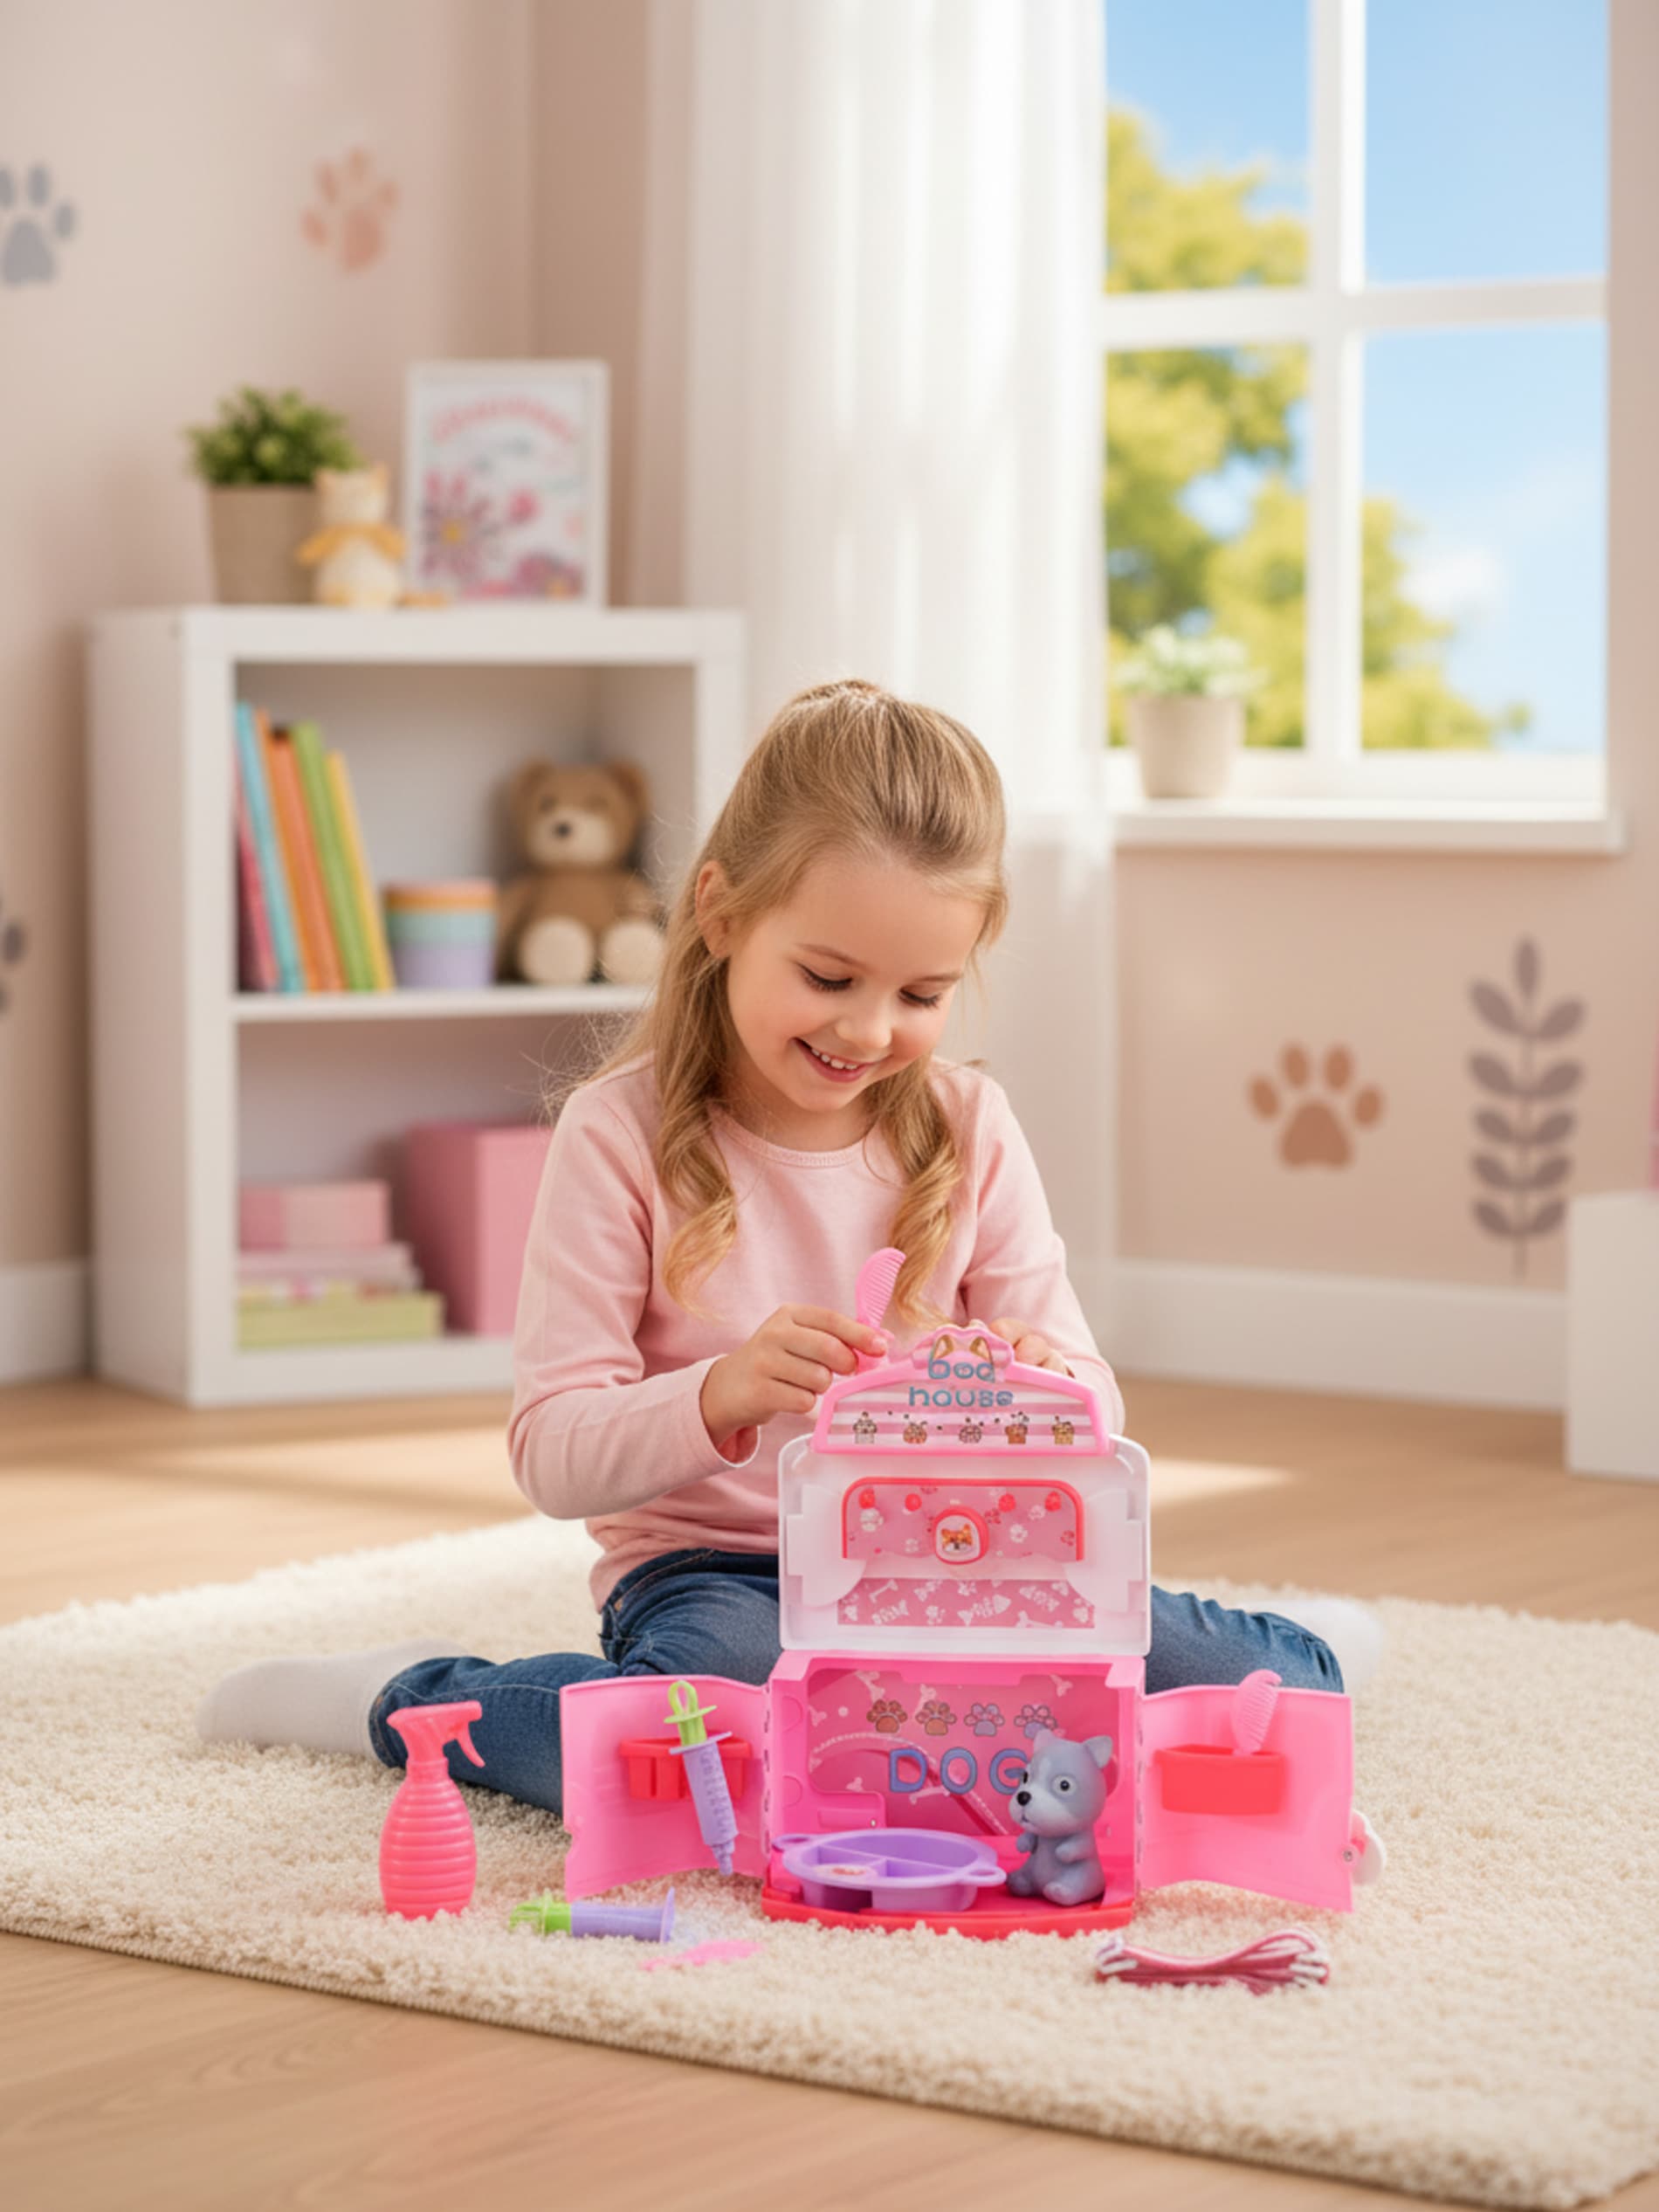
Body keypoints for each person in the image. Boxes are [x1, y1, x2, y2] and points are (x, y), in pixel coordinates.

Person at [198, 679, 1381, 1811]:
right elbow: (551, 1456)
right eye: (828, 976)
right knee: (692, 1756)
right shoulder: (617, 1135)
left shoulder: (971, 1126)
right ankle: (402, 1698)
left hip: (965, 1563)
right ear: (722, 912)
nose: (868, 1029)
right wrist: (720, 1394)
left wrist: (1047, 1384)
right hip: (723, 1575)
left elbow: (1097, 1408)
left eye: (921, 994)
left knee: (1278, 1697)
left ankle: (1285, 1642)